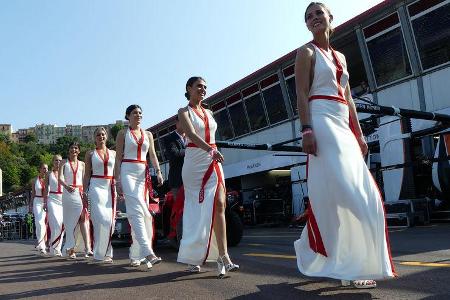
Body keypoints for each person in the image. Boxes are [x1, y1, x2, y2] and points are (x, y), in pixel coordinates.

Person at [293, 2, 396, 288]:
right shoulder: (306, 52)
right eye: (308, 16)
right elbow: (301, 93)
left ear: (329, 18)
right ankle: (348, 267)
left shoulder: (340, 56)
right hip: (321, 120)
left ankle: (310, 246)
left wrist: (359, 134)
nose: (314, 18)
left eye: (318, 13)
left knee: (361, 193)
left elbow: (348, 98)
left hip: (343, 124)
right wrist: (306, 130)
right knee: (347, 191)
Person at [177, 76, 239, 277]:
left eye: (205, 87)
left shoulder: (209, 112)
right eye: (199, 86)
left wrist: (213, 151)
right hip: (194, 162)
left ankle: (224, 256)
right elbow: (192, 135)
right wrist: (210, 151)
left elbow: (211, 137)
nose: (203, 90)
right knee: (196, 211)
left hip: (212, 161)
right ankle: (193, 257)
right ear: (189, 88)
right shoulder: (183, 112)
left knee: (220, 204)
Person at [114, 104, 164, 268]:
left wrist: (158, 171)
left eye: (140, 112)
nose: (138, 115)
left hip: (143, 174)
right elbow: (118, 159)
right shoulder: (123, 133)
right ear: (128, 116)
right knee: (135, 211)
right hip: (127, 172)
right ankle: (148, 253)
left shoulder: (148, 134)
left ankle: (136, 254)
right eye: (135, 113)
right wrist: (117, 180)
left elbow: (153, 155)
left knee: (146, 215)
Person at [83, 127, 116, 264]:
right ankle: (98, 253)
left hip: (109, 186)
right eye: (98, 135)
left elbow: (117, 172)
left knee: (109, 221)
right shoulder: (90, 154)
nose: (100, 137)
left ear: (106, 136)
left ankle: (107, 253)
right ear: (94, 138)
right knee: (99, 219)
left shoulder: (114, 153)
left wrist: (118, 187)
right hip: (96, 186)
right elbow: (87, 175)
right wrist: (84, 192)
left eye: (103, 134)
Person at [59, 141, 91, 259]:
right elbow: (60, 178)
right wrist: (66, 186)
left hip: (79, 193)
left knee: (82, 219)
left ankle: (87, 247)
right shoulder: (63, 162)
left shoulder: (82, 164)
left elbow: (84, 179)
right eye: (72, 148)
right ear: (68, 150)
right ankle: (71, 249)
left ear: (79, 150)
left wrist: (85, 193)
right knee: (69, 222)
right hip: (67, 194)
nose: (74, 150)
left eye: (76, 148)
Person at [162, 115, 186, 243]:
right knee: (181, 211)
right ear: (177, 123)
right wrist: (191, 149)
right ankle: (182, 241)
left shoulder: (191, 137)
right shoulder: (169, 138)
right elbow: (174, 154)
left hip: (192, 179)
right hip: (178, 181)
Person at [45, 155, 64, 257]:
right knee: (55, 223)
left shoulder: (65, 172)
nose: (58, 162)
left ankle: (57, 249)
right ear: (52, 162)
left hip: (63, 200)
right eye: (56, 160)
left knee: (61, 225)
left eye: (60, 160)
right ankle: (54, 247)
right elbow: (45, 189)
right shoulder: (48, 174)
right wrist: (44, 202)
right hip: (52, 199)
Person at [31, 163, 49, 255]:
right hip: (37, 201)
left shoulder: (49, 179)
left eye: (46, 168)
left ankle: (42, 244)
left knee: (44, 223)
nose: (45, 170)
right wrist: (30, 205)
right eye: (43, 168)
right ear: (40, 169)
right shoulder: (34, 180)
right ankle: (41, 244)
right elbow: (33, 194)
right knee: (39, 222)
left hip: (47, 201)